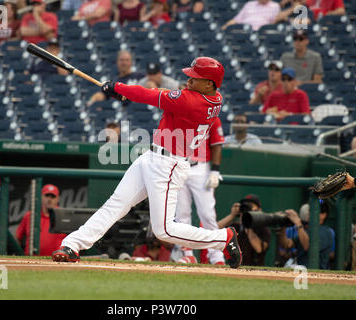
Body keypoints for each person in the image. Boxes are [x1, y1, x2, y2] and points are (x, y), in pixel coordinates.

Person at [52, 56, 243, 268]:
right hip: (153, 157)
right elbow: (164, 102)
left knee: (164, 230)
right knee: (116, 204)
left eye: (195, 78)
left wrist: (117, 87)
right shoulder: (214, 98)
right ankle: (72, 245)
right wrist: (125, 94)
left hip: (168, 165)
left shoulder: (190, 101)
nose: (188, 80)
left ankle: (222, 238)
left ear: (209, 83)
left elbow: (149, 94)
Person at [174, 116, 226, 265]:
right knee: (181, 213)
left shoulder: (211, 115)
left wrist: (215, 171)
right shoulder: (179, 111)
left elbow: (217, 144)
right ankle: (187, 253)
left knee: (207, 214)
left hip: (200, 168)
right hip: (179, 165)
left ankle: (216, 255)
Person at [217, 194, 270, 266]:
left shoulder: (263, 229)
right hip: (234, 267)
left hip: (256, 269)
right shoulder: (236, 227)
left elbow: (259, 249)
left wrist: (249, 223)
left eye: (250, 206)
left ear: (259, 210)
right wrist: (232, 215)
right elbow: (215, 230)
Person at [278, 202, 334, 269]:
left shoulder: (326, 232)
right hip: (301, 271)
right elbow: (287, 244)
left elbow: (309, 247)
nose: (309, 214)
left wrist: (298, 223)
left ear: (323, 215)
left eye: (313, 212)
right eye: (310, 212)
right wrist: (283, 226)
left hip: (316, 273)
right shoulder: (307, 231)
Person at [16, 184, 67, 256]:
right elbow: (18, 237)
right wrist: (19, 254)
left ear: (57, 198)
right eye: (47, 196)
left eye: (52, 196)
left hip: (58, 260)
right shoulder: (31, 215)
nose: (49, 199)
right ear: (41, 197)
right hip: (32, 260)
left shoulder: (64, 216)